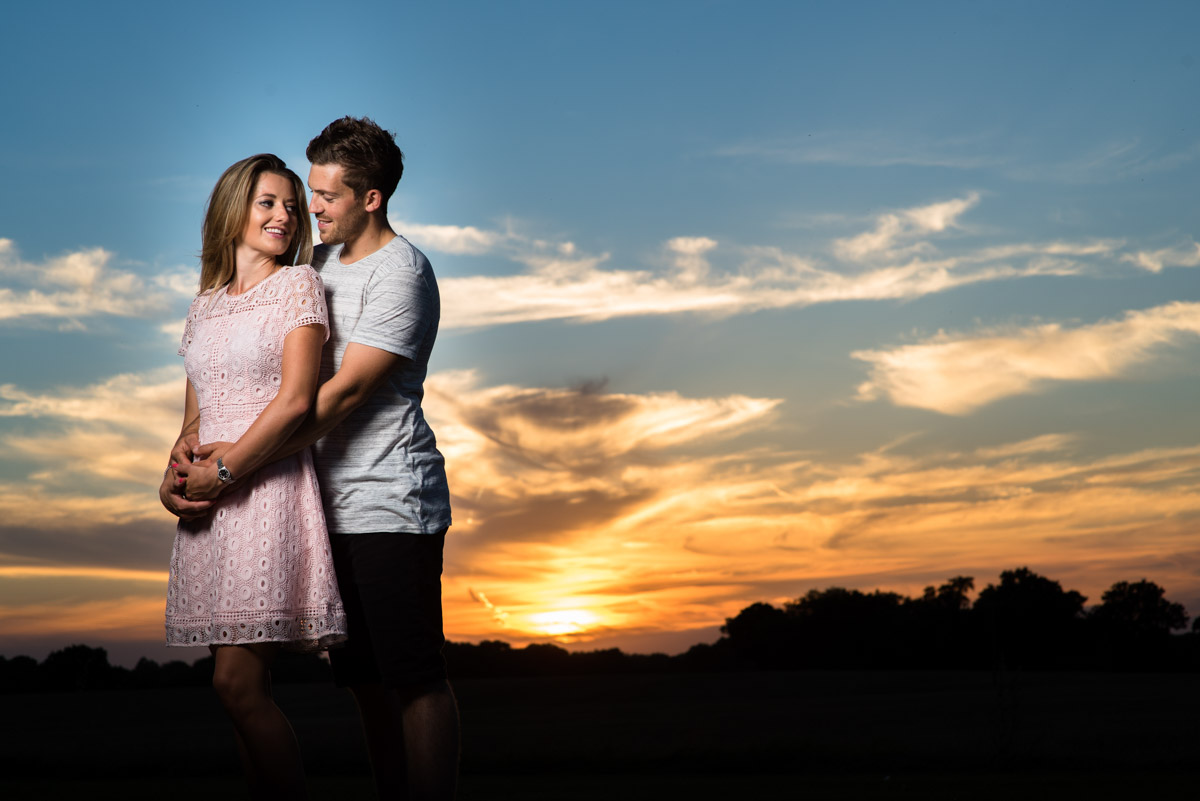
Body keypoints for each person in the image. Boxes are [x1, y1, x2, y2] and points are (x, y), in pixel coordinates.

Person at [166, 118, 459, 800]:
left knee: (413, 676)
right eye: (308, 193)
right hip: (319, 500)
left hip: (390, 498)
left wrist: (235, 467)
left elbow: (336, 396)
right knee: (363, 681)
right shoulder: (313, 268)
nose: (310, 208)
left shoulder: (401, 273)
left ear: (371, 198)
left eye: (324, 196)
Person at [161, 153, 347, 799]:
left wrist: (228, 471)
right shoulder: (203, 306)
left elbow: (297, 400)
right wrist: (175, 477)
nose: (284, 215)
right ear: (234, 208)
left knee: (235, 686)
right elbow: (194, 417)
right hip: (208, 507)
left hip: (264, 489)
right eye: (268, 202)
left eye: (291, 205)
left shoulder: (299, 285)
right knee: (242, 696)